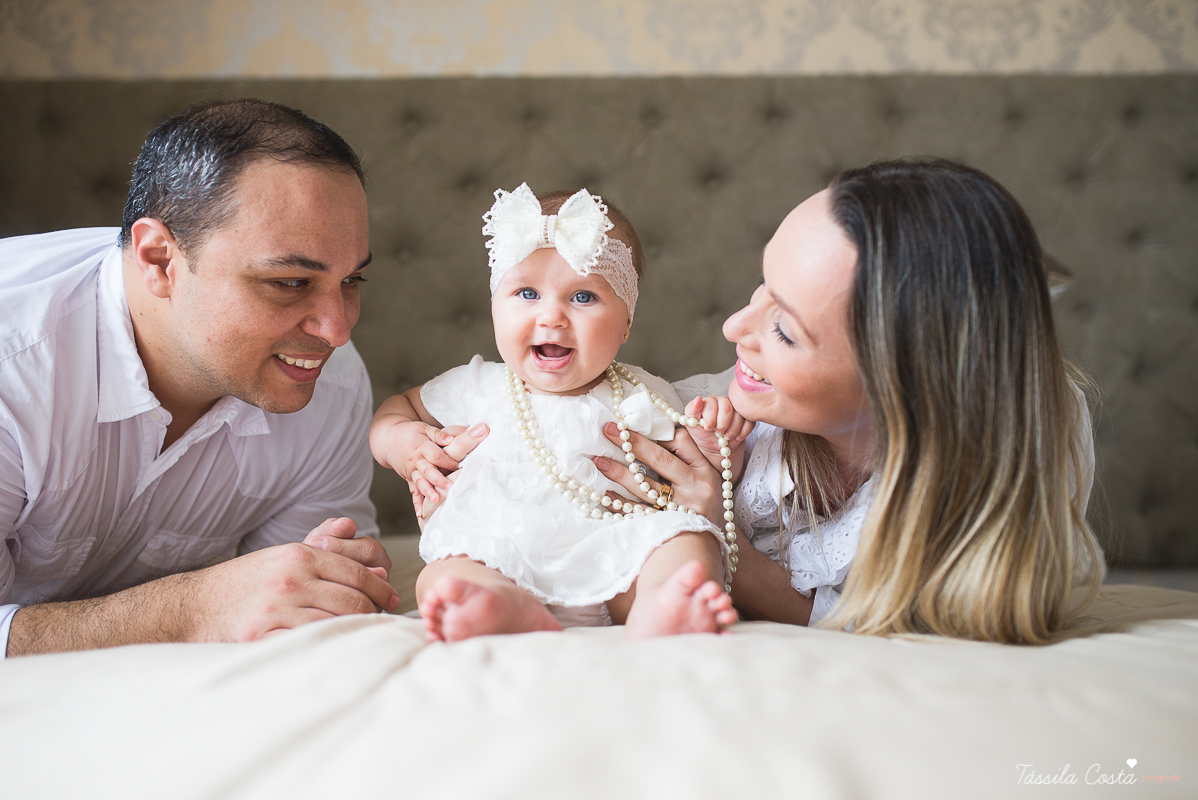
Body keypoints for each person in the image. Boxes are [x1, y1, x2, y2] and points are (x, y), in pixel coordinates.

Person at [589, 158, 1105, 644]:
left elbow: (899, 620)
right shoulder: (739, 412)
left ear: (900, 388)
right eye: (764, 284)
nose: (734, 327)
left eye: (785, 331)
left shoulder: (1007, 459)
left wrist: (722, 538)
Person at [0, 99, 406, 658]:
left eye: (352, 280)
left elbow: (304, 610)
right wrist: (194, 608)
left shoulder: (327, 387)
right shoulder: (14, 366)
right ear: (159, 259)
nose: (337, 330)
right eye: (289, 282)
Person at [369, 184, 750, 642]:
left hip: (616, 549)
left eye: (583, 297)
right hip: (500, 544)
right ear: (494, 305)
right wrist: (402, 442)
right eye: (527, 293)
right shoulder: (478, 384)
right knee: (450, 569)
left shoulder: (640, 389)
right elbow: (398, 409)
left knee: (687, 541)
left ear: (626, 322)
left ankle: (665, 603)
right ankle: (497, 605)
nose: (551, 317)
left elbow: (692, 464)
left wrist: (718, 440)